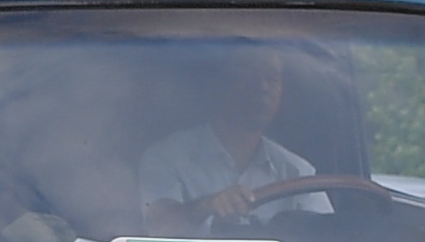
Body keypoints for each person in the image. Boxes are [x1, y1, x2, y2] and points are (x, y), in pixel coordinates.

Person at [135, 42, 320, 231]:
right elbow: (160, 227)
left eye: (272, 79)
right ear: (220, 83)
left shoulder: (299, 173)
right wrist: (207, 206)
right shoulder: (166, 158)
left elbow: (327, 238)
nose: (262, 87)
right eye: (249, 76)